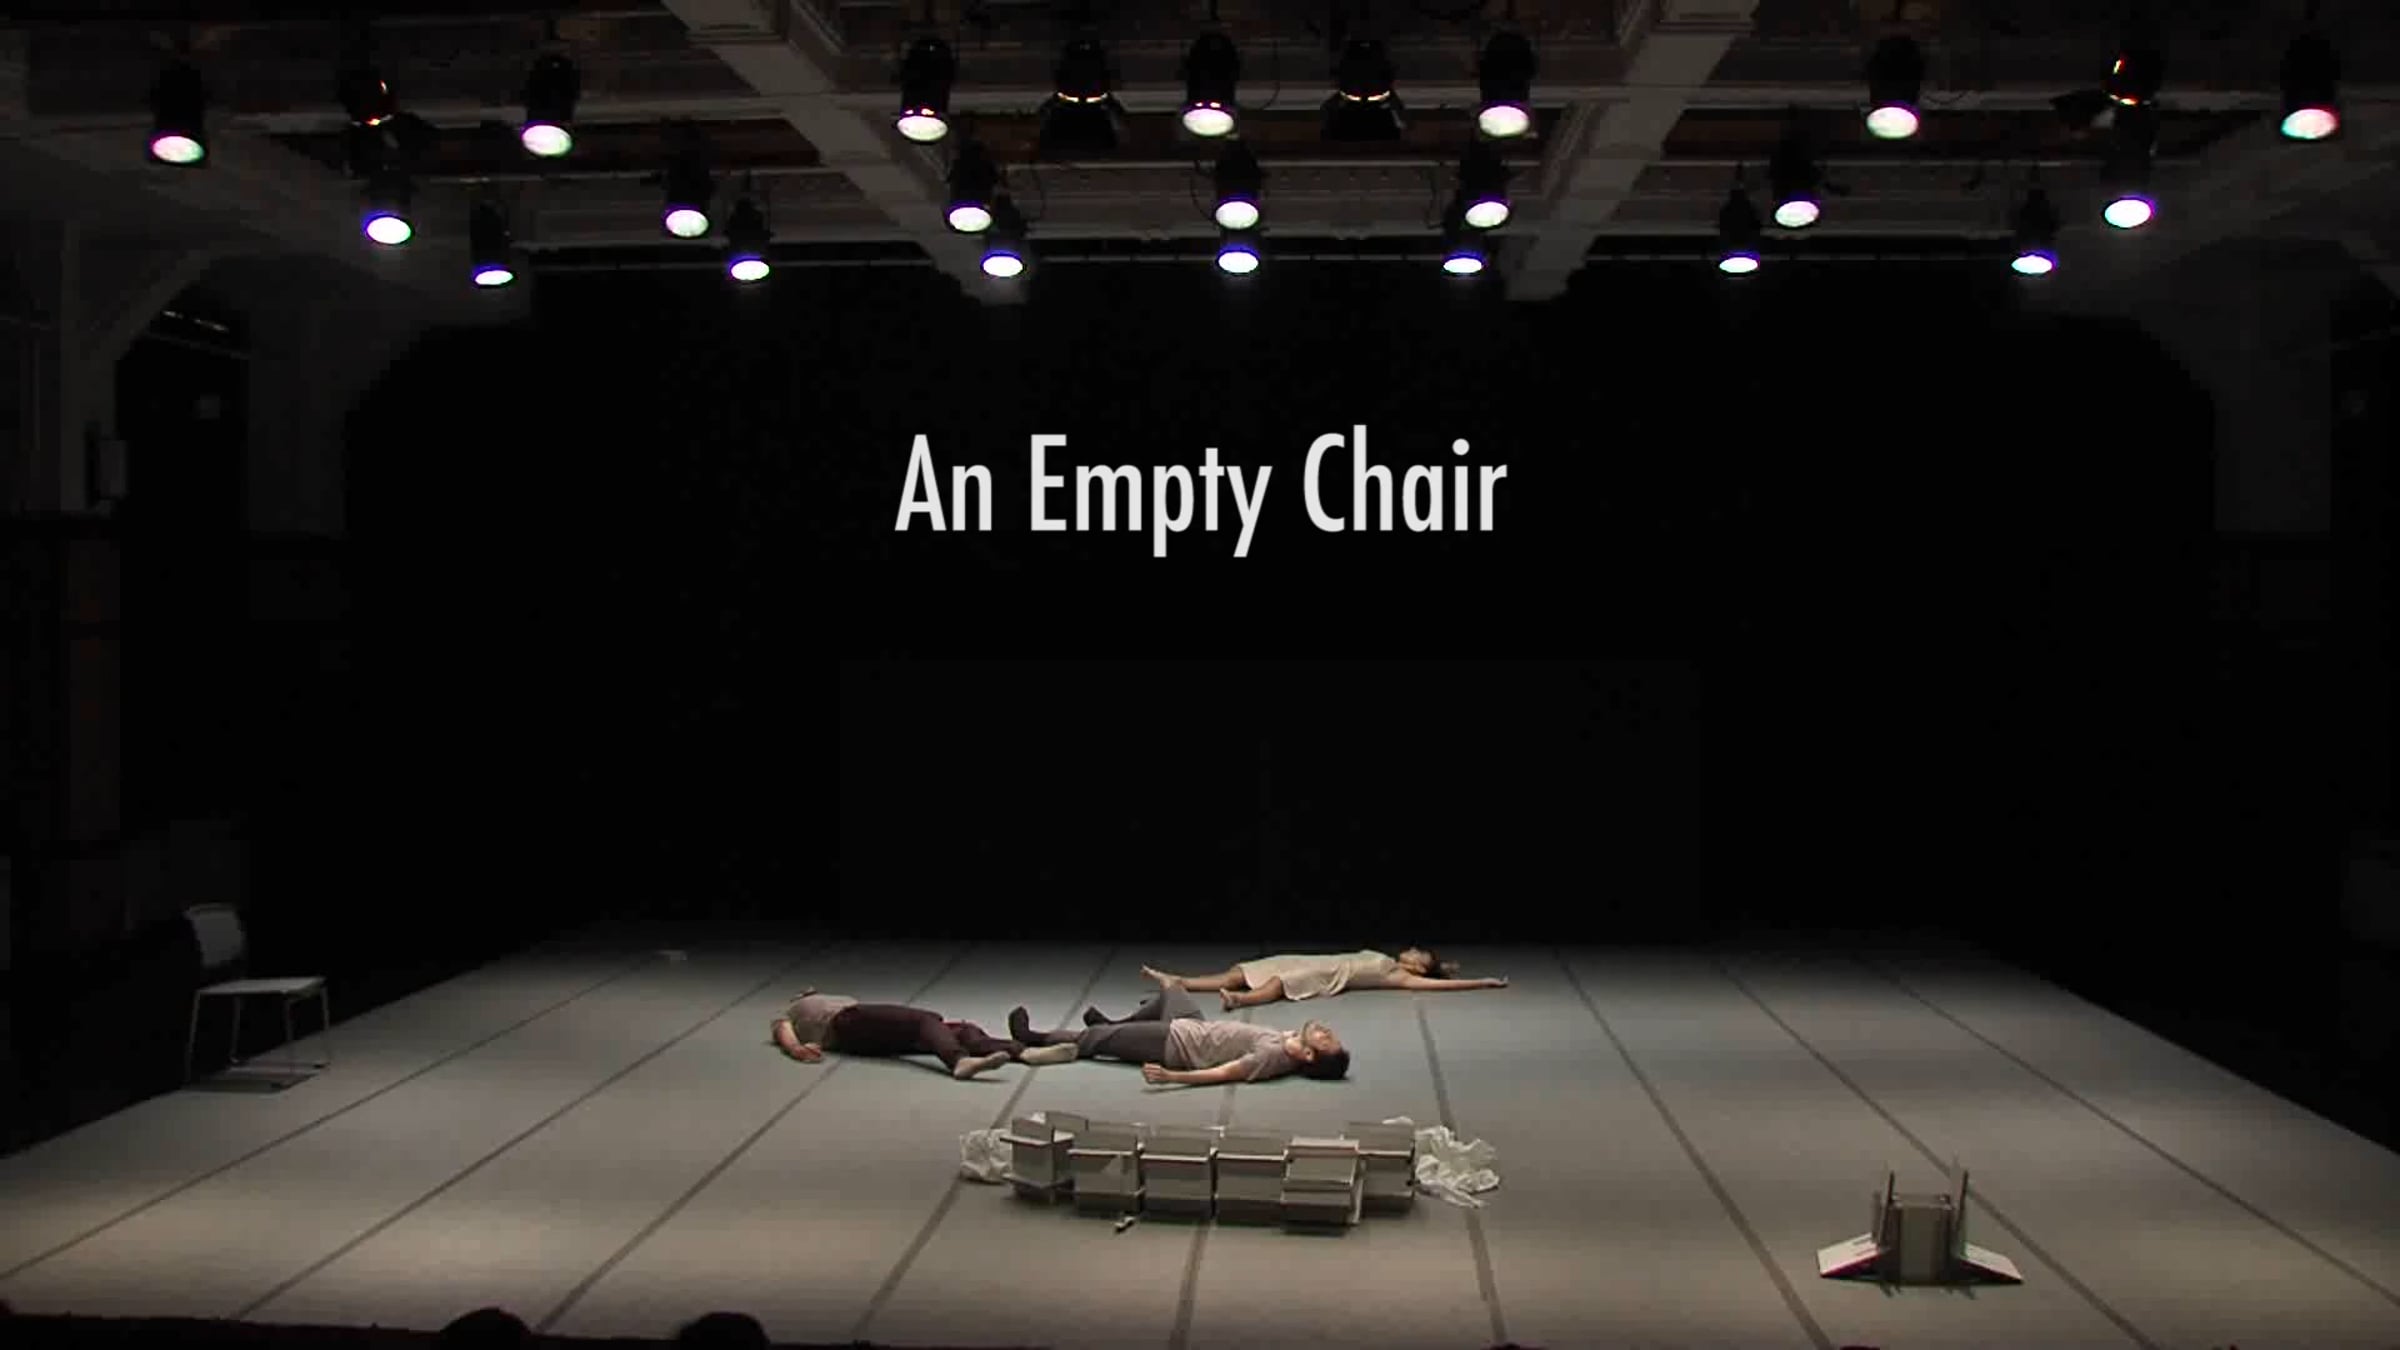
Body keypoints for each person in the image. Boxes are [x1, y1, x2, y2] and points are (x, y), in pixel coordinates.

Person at [1004, 985, 1348, 1085]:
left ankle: (1033, 1038)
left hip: (1177, 1044)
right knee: (1173, 993)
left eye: (1327, 1040)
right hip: (1194, 1026)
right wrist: (1293, 1037)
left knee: (1097, 1040)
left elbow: (1224, 1073)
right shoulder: (1288, 1043)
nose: (1326, 1031)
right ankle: (1115, 1025)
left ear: (1308, 1056)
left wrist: (1173, 1077)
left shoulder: (1272, 1058)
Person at [771, 989, 1077, 1079]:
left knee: (961, 1030)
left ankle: (1023, 1052)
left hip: (865, 1036)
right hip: (845, 1023)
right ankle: (959, 1062)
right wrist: (796, 1048)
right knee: (925, 1020)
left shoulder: (830, 999)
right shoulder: (794, 1010)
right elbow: (782, 1029)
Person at [1138, 947, 1507, 1009]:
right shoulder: (1387, 958)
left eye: (1416, 954)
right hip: (1318, 959)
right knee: (1242, 972)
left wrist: (1482, 982)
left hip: (1327, 974)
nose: (1409, 950)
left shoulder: (1399, 977)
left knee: (1280, 984)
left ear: (1417, 969)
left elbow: (1442, 984)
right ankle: (1179, 981)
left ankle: (1240, 1001)